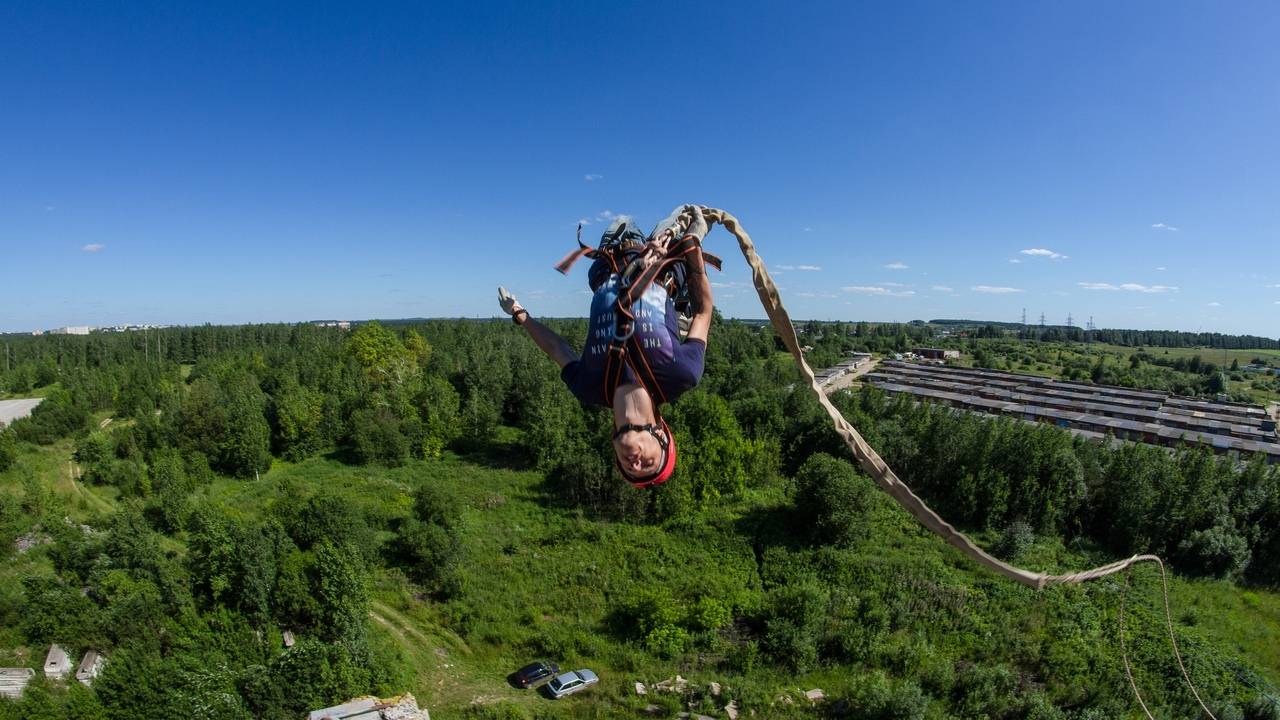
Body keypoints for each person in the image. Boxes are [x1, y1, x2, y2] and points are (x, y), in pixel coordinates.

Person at [498, 207, 715, 488]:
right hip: (665, 265)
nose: (634, 462)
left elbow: (558, 349)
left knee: (621, 219)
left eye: (628, 466)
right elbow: (704, 313)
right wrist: (693, 245)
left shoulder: (589, 387)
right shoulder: (680, 375)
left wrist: (519, 314)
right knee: (678, 220)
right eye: (647, 462)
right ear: (662, 435)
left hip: (607, 262)